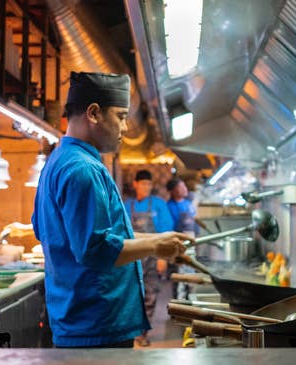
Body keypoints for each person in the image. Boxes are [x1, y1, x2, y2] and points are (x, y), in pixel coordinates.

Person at [32, 72, 192, 348]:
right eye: (120, 116)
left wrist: (159, 240)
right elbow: (95, 249)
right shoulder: (82, 170)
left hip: (82, 320)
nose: (126, 127)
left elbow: (102, 236)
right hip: (94, 324)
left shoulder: (58, 162)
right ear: (93, 113)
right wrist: (155, 247)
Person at [122, 170, 174, 346]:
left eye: (149, 184)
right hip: (130, 258)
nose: (146, 187)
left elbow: (166, 232)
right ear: (135, 184)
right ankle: (132, 332)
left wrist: (163, 258)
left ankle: (143, 333)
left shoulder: (159, 204)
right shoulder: (126, 205)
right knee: (131, 295)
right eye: (143, 183)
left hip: (152, 257)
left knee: (150, 295)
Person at [166, 177, 200, 299]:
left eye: (184, 186)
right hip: (178, 243)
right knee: (179, 275)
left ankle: (190, 303)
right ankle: (178, 307)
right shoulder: (169, 206)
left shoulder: (188, 203)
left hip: (191, 242)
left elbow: (195, 221)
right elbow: (169, 227)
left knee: (191, 273)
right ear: (173, 191)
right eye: (180, 187)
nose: (185, 189)